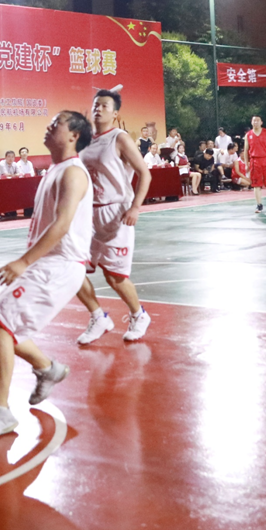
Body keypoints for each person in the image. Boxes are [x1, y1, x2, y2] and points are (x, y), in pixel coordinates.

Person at [0, 111, 93, 440]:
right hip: (48, 264)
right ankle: (47, 368)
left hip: (59, 265)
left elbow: (62, 225)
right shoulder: (55, 169)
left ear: (74, 135)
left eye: (57, 123)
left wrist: (23, 262)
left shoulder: (74, 173)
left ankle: (1, 411)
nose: (49, 126)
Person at [76, 89, 152, 344]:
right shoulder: (85, 140)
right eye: (95, 104)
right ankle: (98, 317)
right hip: (88, 213)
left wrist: (135, 207)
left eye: (105, 106)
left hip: (115, 213)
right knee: (72, 269)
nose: (98, 109)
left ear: (115, 113)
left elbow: (145, 173)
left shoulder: (119, 138)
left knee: (115, 277)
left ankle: (139, 315)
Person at [243, 116, 266, 213]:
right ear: (251, 122)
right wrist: (246, 163)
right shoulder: (248, 135)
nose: (255, 122)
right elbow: (246, 150)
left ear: (261, 122)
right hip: (255, 161)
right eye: (254, 121)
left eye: (257, 120)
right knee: (256, 184)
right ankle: (259, 205)